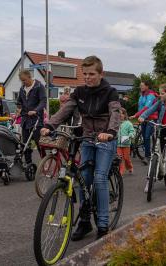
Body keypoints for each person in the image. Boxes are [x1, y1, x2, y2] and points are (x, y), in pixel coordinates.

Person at [41, 55, 120, 240]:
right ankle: (85, 222)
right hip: (86, 138)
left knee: (99, 179)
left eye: (91, 74)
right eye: (84, 74)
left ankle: (102, 225)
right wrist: (50, 125)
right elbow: (65, 110)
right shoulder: (79, 92)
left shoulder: (111, 92)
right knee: (83, 178)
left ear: (101, 73)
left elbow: (115, 113)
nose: (87, 78)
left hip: (105, 139)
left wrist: (110, 132)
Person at [16, 69, 47, 165]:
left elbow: (43, 101)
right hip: (25, 119)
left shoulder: (39, 86)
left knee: (38, 142)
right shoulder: (22, 89)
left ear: (29, 77)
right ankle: (28, 163)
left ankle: (44, 161)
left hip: (37, 119)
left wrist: (36, 110)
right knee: (25, 143)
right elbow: (19, 102)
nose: (23, 82)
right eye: (21, 80)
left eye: (24, 80)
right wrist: (18, 109)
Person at [129, 80, 158, 165]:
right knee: (144, 137)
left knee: (146, 137)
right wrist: (139, 116)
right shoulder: (141, 95)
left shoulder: (151, 96)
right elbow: (140, 106)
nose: (140, 87)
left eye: (142, 85)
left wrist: (136, 115)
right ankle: (147, 153)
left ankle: (147, 157)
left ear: (147, 86)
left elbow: (147, 107)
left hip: (150, 118)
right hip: (143, 119)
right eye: (140, 85)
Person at [117, 108, 135, 176]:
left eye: (122, 113)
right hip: (118, 144)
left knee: (126, 158)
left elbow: (132, 131)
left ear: (125, 115)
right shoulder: (116, 123)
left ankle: (130, 167)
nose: (120, 115)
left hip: (126, 144)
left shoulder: (128, 123)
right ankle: (121, 171)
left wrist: (130, 135)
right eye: (118, 113)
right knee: (120, 158)